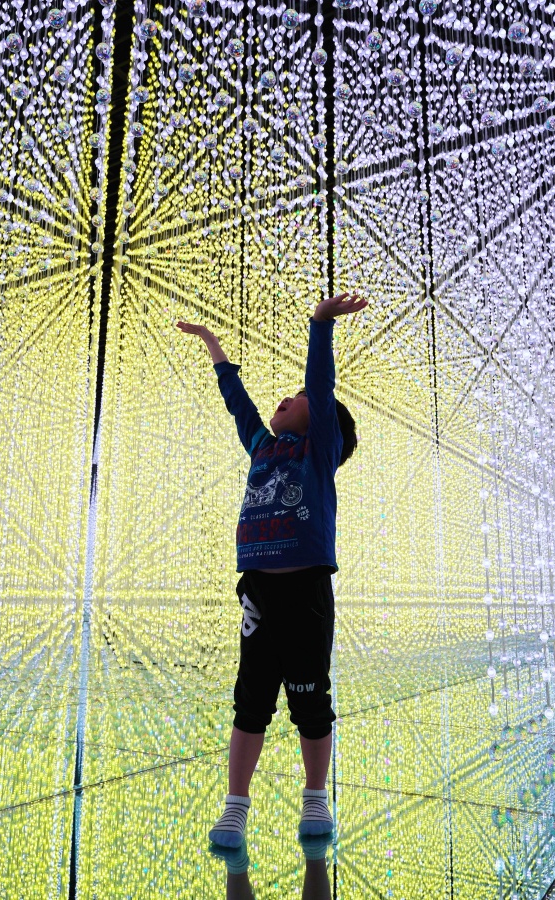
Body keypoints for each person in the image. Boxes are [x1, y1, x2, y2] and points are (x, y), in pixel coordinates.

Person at [176, 291, 367, 849]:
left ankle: (315, 798)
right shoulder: (262, 446)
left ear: (322, 423)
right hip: (258, 593)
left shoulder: (318, 452)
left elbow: (322, 388)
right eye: (289, 394)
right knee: (251, 701)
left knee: (312, 700)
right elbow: (239, 403)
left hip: (307, 591)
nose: (287, 398)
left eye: (299, 397)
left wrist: (320, 327)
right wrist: (214, 348)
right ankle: (236, 805)